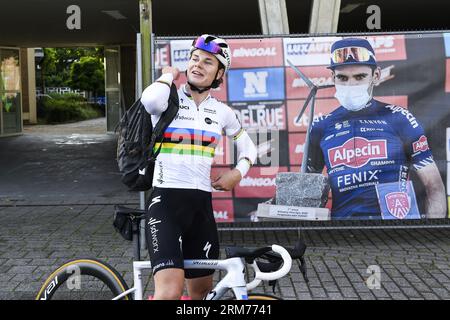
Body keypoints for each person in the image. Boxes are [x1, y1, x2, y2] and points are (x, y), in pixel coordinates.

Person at [140, 34, 257, 300]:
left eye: (208, 62)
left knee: (202, 294)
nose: (198, 65)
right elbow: (149, 101)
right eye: (194, 59)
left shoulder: (222, 112)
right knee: (169, 291)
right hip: (165, 203)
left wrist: (238, 172)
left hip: (201, 208)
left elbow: (249, 148)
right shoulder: (168, 99)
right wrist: (167, 75)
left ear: (220, 74)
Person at [307, 38, 446, 219]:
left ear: (376, 75)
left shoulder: (399, 118)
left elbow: (434, 186)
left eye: (360, 76)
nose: (351, 85)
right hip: (342, 233)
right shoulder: (321, 126)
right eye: (342, 77)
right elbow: (305, 192)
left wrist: (431, 237)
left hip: (396, 231)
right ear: (333, 77)